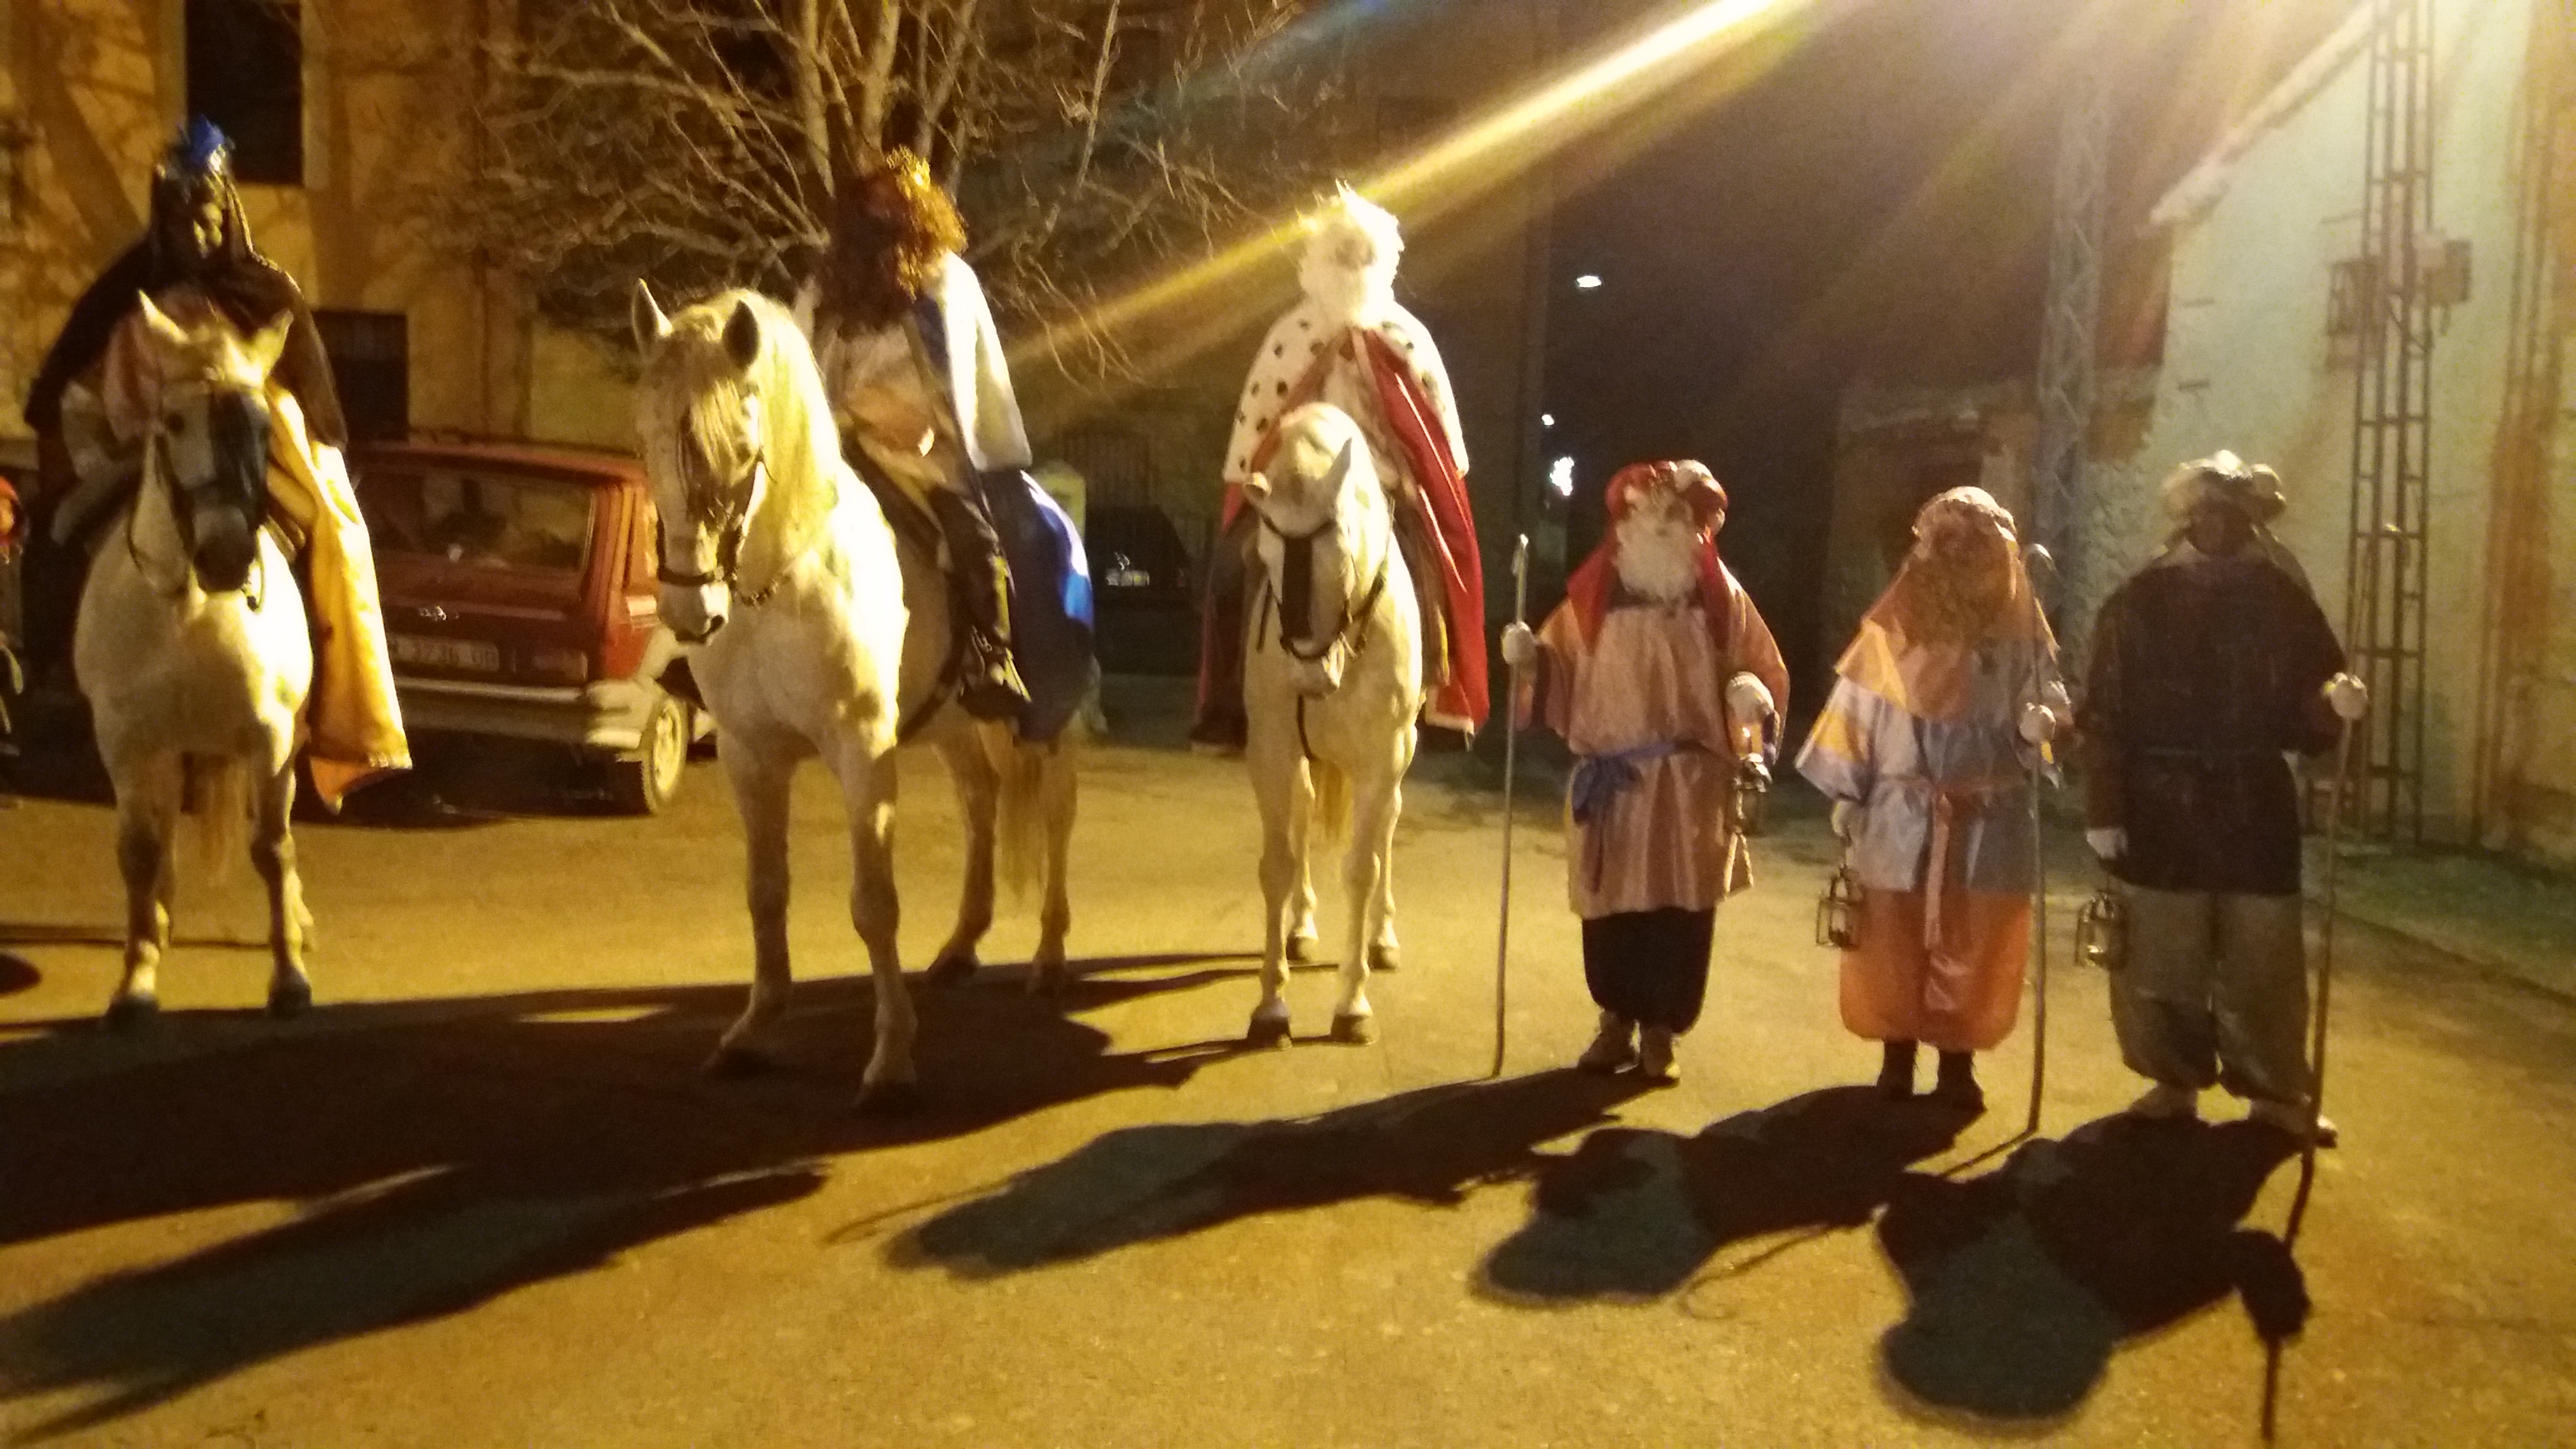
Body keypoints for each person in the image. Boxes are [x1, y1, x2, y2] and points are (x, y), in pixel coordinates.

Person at [18, 118, 406, 806]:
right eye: (179, 218)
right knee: (54, 530)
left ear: (226, 213)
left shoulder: (268, 293)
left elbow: (308, 401)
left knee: (337, 539)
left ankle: (328, 701)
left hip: (247, 457)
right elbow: (71, 392)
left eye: (205, 216)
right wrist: (101, 448)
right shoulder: (124, 292)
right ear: (161, 219)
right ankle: (57, 677)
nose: (194, 233)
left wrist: (271, 436)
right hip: (142, 453)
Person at [2081, 452, 2366, 1143]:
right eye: (2206, 511)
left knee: (2263, 956)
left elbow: (2314, 691)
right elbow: (2107, 709)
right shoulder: (2138, 601)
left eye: (2233, 514)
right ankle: (2172, 1079)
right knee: (2161, 955)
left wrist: (2333, 703)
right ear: (2187, 518)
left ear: (2252, 521)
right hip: (2160, 805)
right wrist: (2105, 809)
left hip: (2252, 802)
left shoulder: (2282, 598)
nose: (2219, 524)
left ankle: (2275, 1091)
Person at [1503, 461, 1787, 1085]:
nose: (1658, 524)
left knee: (1681, 914)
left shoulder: (1722, 601)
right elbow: (1558, 665)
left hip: (1690, 788)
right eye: (1645, 512)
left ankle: (1662, 1032)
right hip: (1616, 786)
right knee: (1611, 909)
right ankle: (1615, 1021)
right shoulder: (1592, 599)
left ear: (1695, 526)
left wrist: (1748, 695)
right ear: (1623, 521)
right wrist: (1532, 662)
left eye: (1674, 515)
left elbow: (1760, 671)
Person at [1798, 487, 2067, 1110]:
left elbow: (2049, 702)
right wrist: (1849, 789)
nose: (1960, 554)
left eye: (1976, 544)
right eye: (1947, 541)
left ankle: (1957, 1062)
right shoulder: (1891, 632)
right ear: (1926, 548)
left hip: (1987, 816)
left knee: (1973, 940)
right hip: (1900, 813)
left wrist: (2043, 726)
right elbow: (1856, 707)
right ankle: (1897, 1055)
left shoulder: (2022, 636)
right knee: (1892, 937)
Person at [1194, 185, 1485, 753]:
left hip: (1381, 492)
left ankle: (1435, 693)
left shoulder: (1406, 338)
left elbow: (1437, 442)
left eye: (1363, 257)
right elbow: (1259, 426)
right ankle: (1230, 696)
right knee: (1233, 564)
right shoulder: (1290, 337)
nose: (1352, 267)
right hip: (1298, 493)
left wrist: (1407, 472)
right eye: (1342, 255)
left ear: (1382, 263)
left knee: (1433, 565)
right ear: (1318, 262)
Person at [793, 149, 1033, 721]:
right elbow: (801, 357)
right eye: (876, 201)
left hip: (920, 446)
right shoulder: (827, 282)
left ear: (921, 211)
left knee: (971, 531)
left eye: (898, 203)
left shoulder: (947, 279)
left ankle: (991, 654)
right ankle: (701, 649)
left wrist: (931, 422)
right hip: (836, 438)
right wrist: (833, 413)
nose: (885, 213)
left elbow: (964, 374)